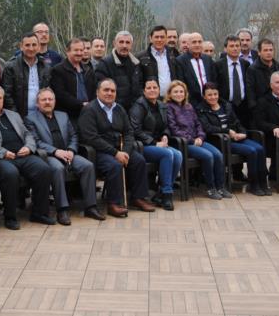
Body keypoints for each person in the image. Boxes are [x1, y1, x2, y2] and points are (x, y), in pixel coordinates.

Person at [0, 84, 55, 229]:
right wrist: (2, 152)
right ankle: (10, 217)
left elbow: (27, 134)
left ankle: (39, 213)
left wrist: (29, 147)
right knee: (10, 173)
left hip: (22, 155)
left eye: (0, 97)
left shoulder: (13, 115)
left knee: (44, 169)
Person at [25, 88, 105, 224]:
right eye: (44, 100)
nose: (47, 102)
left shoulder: (63, 115)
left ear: (55, 101)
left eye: (50, 99)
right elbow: (36, 141)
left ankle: (91, 207)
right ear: (37, 103)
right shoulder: (30, 119)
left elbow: (74, 135)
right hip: (48, 156)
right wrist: (55, 151)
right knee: (58, 168)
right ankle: (62, 210)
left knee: (88, 166)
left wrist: (71, 150)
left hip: (68, 153)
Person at [79, 79, 156, 217]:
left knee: (138, 160)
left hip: (120, 149)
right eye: (106, 90)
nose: (109, 93)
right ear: (97, 92)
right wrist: (115, 153)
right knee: (114, 165)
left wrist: (125, 152)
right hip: (98, 151)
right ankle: (114, 204)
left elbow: (129, 132)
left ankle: (138, 198)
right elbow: (91, 138)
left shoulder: (119, 109)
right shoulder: (89, 109)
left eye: (112, 91)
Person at [197, 82, 269, 196]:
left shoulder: (226, 105)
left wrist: (243, 133)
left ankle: (263, 183)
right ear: (204, 96)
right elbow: (208, 128)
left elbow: (236, 122)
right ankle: (254, 185)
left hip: (235, 137)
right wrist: (227, 131)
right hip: (220, 141)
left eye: (215, 94)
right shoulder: (201, 109)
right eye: (209, 95)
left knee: (259, 148)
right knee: (251, 151)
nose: (213, 97)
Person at [165, 80, 228, 199]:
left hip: (197, 140)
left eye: (181, 91)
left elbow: (198, 124)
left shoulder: (189, 106)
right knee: (208, 156)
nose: (179, 94)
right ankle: (211, 188)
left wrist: (200, 136)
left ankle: (220, 187)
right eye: (176, 92)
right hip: (184, 144)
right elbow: (174, 129)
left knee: (218, 154)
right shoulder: (168, 108)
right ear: (170, 94)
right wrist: (192, 140)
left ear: (185, 93)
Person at [128, 80, 183, 210]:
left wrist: (165, 135)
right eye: (149, 88)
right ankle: (167, 194)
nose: (152, 90)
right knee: (167, 154)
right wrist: (154, 142)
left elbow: (166, 126)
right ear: (144, 91)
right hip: (143, 146)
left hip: (159, 143)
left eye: (155, 87)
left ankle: (161, 193)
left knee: (178, 154)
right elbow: (135, 130)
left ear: (159, 90)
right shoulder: (138, 106)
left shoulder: (161, 105)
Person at [2, 32, 50, 117]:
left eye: (34, 45)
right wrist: (16, 116)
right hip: (19, 116)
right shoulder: (11, 67)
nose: (31, 48)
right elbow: (7, 95)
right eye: (27, 45)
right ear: (21, 46)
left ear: (39, 46)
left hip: (41, 115)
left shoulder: (45, 66)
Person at [50, 38, 96, 123]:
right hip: (67, 116)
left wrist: (91, 105)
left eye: (81, 50)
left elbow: (94, 90)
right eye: (76, 50)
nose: (79, 53)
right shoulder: (58, 70)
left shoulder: (88, 70)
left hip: (88, 113)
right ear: (67, 52)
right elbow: (61, 94)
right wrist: (81, 104)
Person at [94, 30, 143, 110]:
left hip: (135, 109)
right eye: (121, 42)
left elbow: (140, 86)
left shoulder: (136, 63)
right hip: (113, 109)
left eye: (127, 42)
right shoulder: (105, 64)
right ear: (114, 43)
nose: (124, 45)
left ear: (131, 45)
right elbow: (100, 90)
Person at [213, 35, 251, 127]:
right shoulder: (218, 65)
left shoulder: (245, 64)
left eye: (237, 46)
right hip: (226, 106)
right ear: (225, 48)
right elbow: (215, 85)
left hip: (243, 106)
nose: (235, 48)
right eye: (232, 46)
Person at [175, 32, 217, 105]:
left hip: (209, 101)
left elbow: (213, 79)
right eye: (194, 42)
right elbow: (181, 83)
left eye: (200, 42)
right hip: (190, 103)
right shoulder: (180, 61)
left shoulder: (208, 59)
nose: (197, 44)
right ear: (188, 45)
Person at [245, 38, 279, 112]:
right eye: (265, 50)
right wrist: (255, 109)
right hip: (262, 109)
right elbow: (250, 92)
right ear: (259, 52)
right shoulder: (252, 70)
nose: (269, 53)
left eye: (271, 50)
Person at [137, 25, 176, 98]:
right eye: (156, 37)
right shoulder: (141, 57)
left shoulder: (173, 55)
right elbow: (138, 82)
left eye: (162, 37)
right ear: (150, 38)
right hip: (152, 99)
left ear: (166, 38)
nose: (159, 40)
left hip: (171, 98)